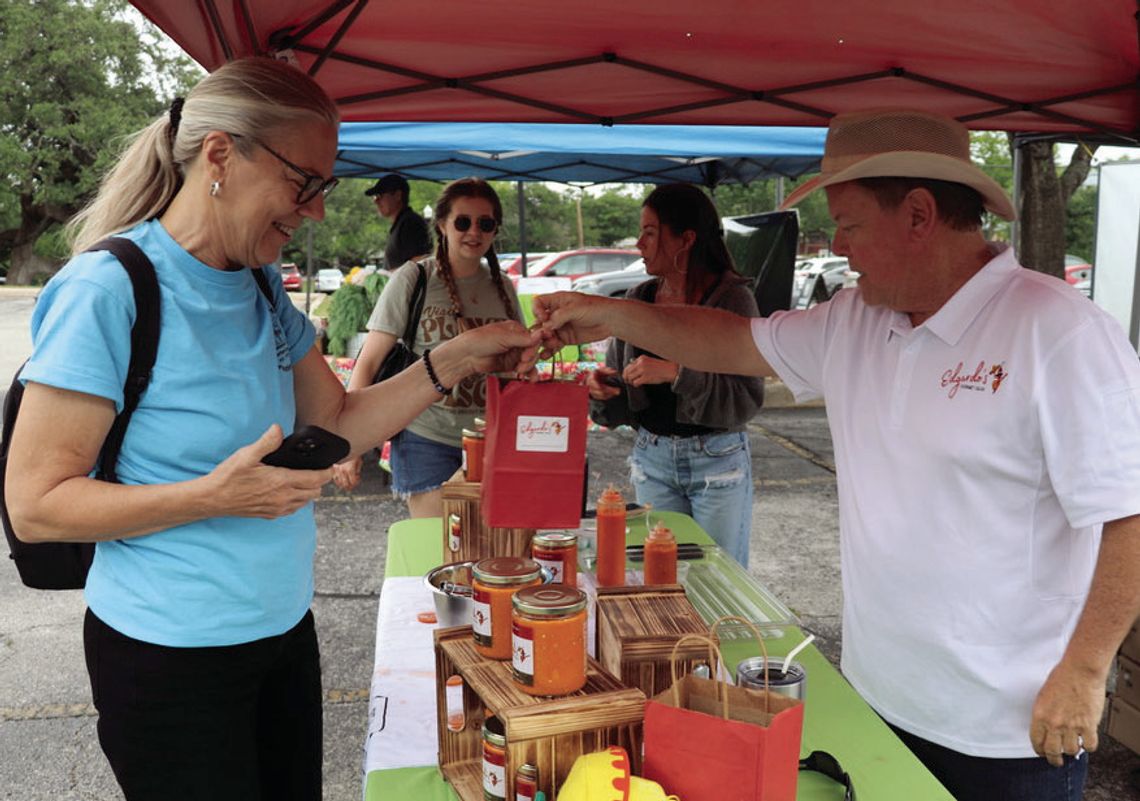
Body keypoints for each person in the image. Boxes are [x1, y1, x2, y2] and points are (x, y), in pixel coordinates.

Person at [534, 109, 1140, 801]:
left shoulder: (1059, 332)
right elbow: (731, 341)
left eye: (848, 224)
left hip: (1008, 731)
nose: (839, 247)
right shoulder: (856, 319)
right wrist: (611, 313)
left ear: (918, 214)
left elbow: (1128, 513)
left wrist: (1087, 670)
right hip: (879, 699)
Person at [4, 58, 537, 801]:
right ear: (220, 153)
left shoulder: (256, 283)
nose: (315, 210)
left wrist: (453, 357)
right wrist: (214, 495)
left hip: (281, 633)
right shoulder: (110, 288)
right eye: (303, 181)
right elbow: (35, 501)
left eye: (324, 186)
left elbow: (341, 423)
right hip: (168, 657)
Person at [586, 183, 763, 565]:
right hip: (653, 459)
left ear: (686, 240)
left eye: (650, 232)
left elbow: (746, 397)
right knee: (661, 577)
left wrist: (677, 373)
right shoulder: (638, 300)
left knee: (719, 577)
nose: (639, 243)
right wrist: (604, 389)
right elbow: (623, 392)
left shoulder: (731, 300)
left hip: (717, 459)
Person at [333, 178, 523, 517]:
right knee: (437, 549)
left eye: (485, 223)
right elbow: (369, 362)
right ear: (442, 225)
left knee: (487, 551)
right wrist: (351, 445)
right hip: (426, 437)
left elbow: (516, 366)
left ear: (496, 230)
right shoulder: (414, 278)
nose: (473, 232)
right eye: (462, 222)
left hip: (491, 438)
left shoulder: (504, 286)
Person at [364, 172, 432, 269]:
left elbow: (419, 263)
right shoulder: (402, 222)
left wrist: (386, 275)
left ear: (398, 195)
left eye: (379, 195)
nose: (375, 201)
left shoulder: (410, 223)